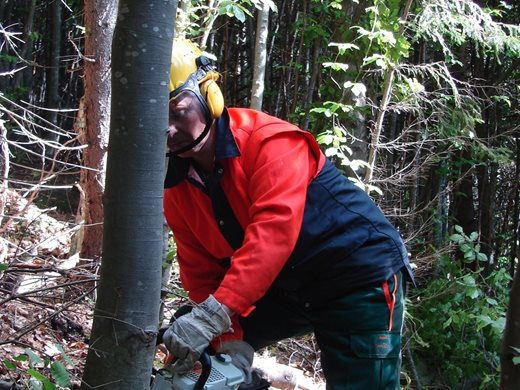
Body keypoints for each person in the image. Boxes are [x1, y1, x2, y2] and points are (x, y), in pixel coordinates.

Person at [162, 38, 414, 390]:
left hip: (356, 275)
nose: (169, 126)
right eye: (157, 115)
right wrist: (226, 340)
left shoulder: (270, 142)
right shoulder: (177, 188)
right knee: (189, 339)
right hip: (287, 286)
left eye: (177, 109)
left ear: (208, 93)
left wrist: (217, 314)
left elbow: (272, 237)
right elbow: (202, 273)